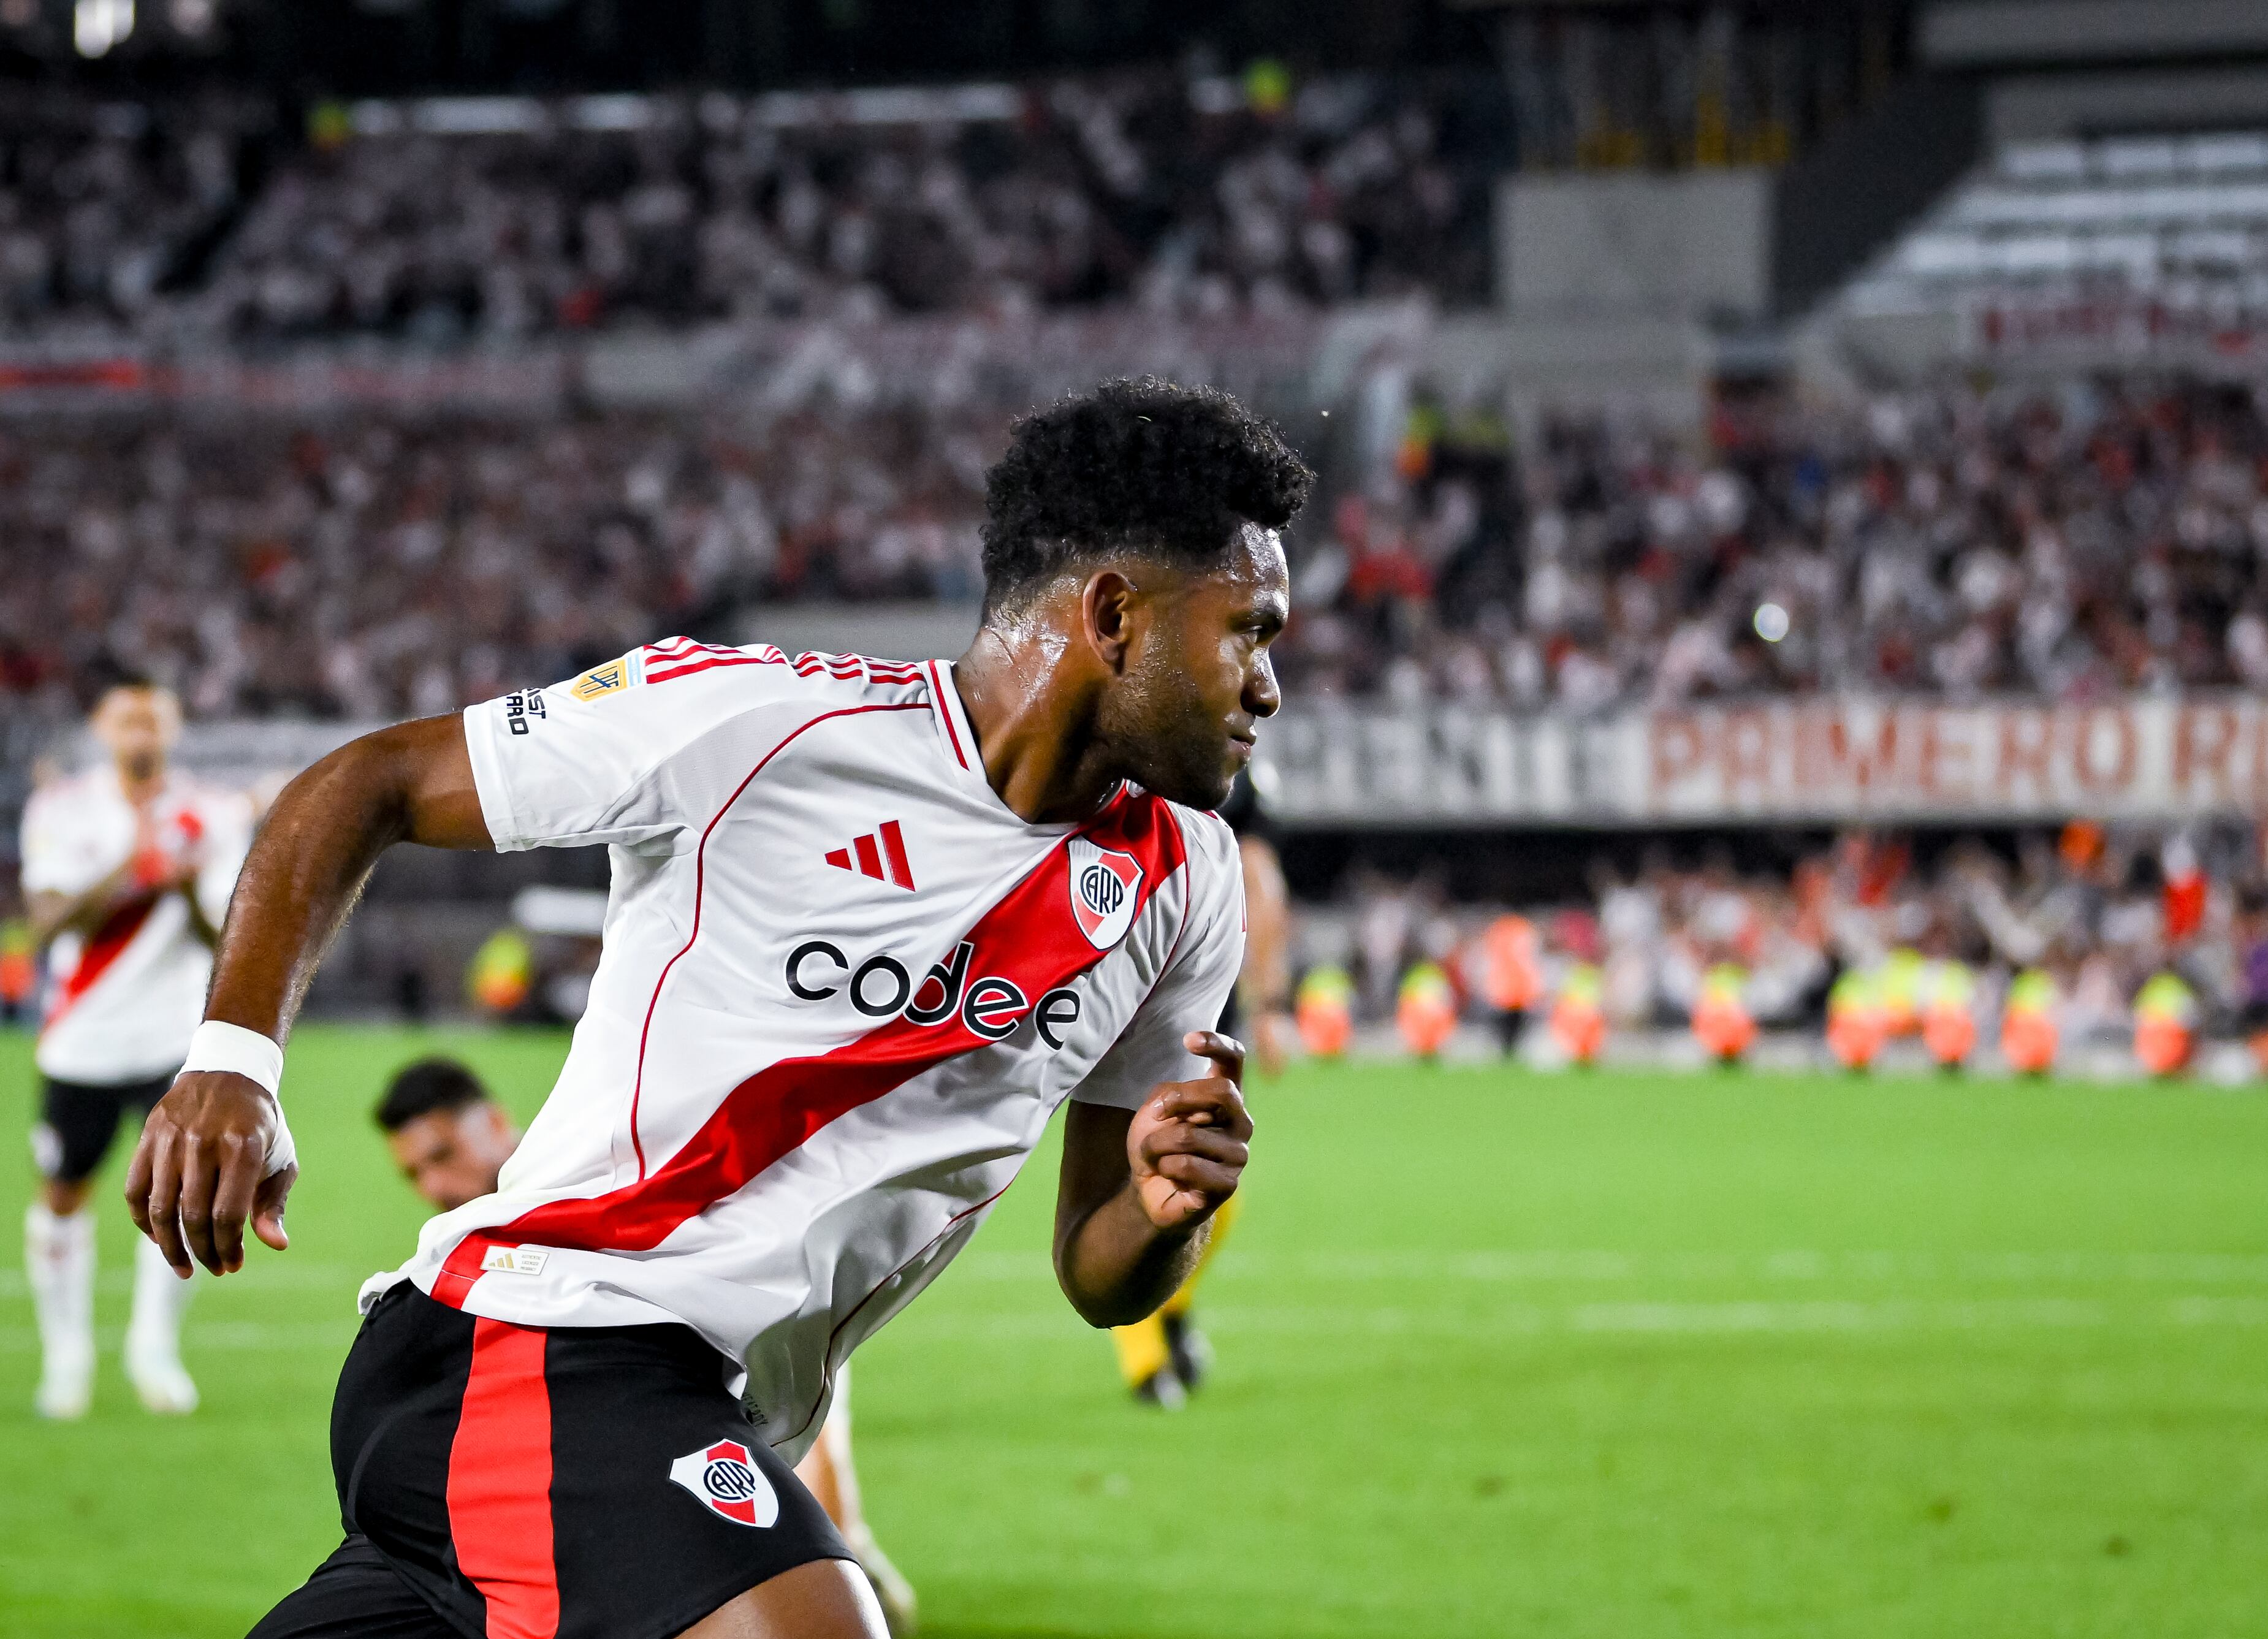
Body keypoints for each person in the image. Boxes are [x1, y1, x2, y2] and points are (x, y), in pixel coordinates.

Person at [126, 376, 1306, 1639]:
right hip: (547, 1330)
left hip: (705, 1413)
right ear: (1114, 613)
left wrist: (1165, 1204)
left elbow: (1098, 1271)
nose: (1267, 686)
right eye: (1250, 630)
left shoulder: (1183, 880)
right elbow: (364, 781)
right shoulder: (756, 717)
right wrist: (231, 1062)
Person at [374, 1057, 919, 1634]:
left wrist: (829, 1550)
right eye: (414, 1174)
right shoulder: (471, 1253)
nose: (434, 1188)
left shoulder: (595, 1171)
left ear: (495, 1123)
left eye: (442, 1156)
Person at [21, 678, 249, 1419]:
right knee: (64, 1193)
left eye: (155, 717)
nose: (141, 730)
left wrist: (181, 888)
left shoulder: (209, 813)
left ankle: (154, 1352)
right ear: (102, 725)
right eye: (127, 717)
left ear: (175, 727)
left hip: (173, 1037)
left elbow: (230, 941)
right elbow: (48, 924)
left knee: (176, 1196)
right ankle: (67, 1358)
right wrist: (134, 864)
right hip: (82, 1037)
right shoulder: (62, 807)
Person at [1109, 768, 1291, 1409]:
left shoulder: (1229, 774)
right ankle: (1144, 1357)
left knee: (1210, 1186)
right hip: (1121, 988)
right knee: (1132, 1170)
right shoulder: (1127, 754)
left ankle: (1168, 1303)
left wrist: (1268, 1002)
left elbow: (1262, 881)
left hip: (1202, 997)